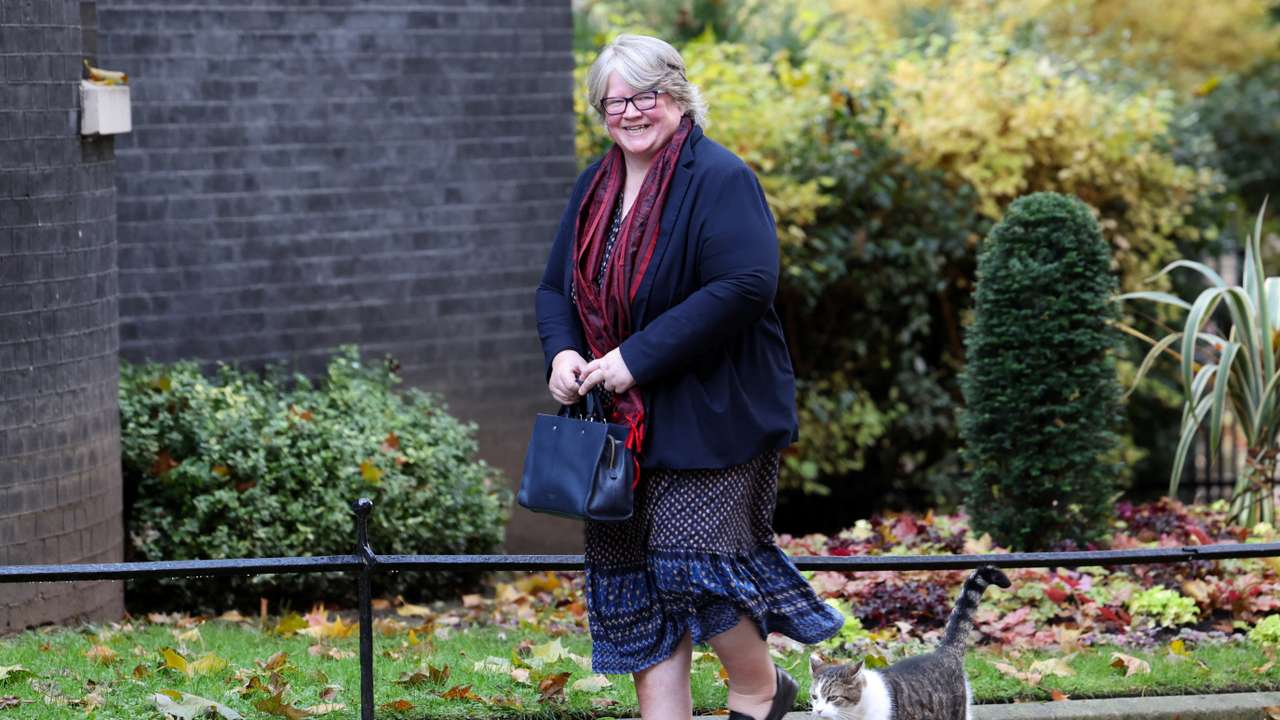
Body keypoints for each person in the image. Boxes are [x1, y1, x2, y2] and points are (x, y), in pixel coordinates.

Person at [534, 33, 843, 720]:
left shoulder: (719, 178)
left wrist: (634, 357)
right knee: (633, 585)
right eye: (614, 101)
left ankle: (760, 687)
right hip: (617, 427)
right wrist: (564, 354)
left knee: (690, 568)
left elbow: (745, 284)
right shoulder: (595, 185)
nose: (630, 112)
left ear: (676, 95)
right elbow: (555, 290)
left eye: (644, 95)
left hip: (715, 413)